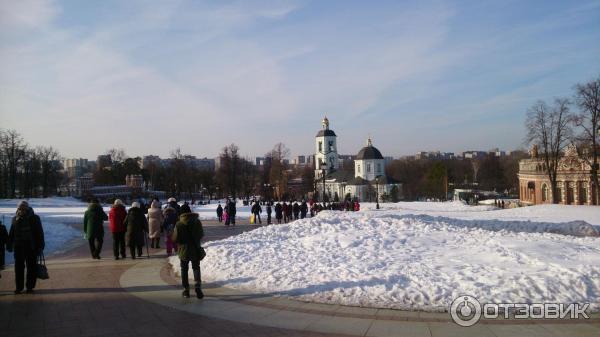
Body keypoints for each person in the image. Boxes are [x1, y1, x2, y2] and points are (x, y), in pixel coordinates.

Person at [7, 201, 45, 294]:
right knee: (18, 268)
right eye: (20, 208)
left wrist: (40, 246)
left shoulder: (35, 218)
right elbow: (12, 232)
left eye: (24, 208)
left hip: (31, 247)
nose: (22, 210)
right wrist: (9, 244)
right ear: (18, 209)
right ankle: (19, 287)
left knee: (31, 267)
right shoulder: (15, 218)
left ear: (27, 208)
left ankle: (30, 287)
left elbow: (39, 233)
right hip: (18, 247)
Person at [172, 204, 204, 299]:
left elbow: (175, 238)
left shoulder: (179, 224)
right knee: (196, 267)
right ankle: (198, 287)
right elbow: (201, 234)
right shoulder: (197, 222)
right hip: (195, 248)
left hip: (184, 250)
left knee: (184, 269)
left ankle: (186, 290)